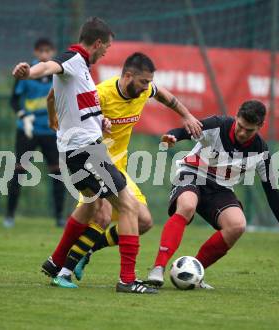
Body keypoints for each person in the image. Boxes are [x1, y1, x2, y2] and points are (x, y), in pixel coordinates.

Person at [12, 17, 156, 294]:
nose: (107, 52)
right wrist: (28, 72)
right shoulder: (74, 58)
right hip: (87, 151)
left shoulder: (84, 71)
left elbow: (75, 102)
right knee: (128, 206)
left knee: (93, 208)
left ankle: (56, 262)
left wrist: (99, 121)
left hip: (78, 150)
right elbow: (49, 65)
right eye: (107, 47)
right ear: (98, 43)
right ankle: (127, 280)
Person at [43, 52, 202, 282]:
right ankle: (65, 269)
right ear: (128, 76)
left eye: (149, 82)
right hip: (93, 161)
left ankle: (81, 253)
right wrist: (89, 121)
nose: (148, 87)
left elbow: (165, 96)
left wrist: (186, 115)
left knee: (144, 222)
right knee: (102, 214)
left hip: (119, 169)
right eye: (144, 81)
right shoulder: (101, 93)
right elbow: (54, 95)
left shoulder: (145, 90)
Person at [147, 100, 279, 289]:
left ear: (260, 127)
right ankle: (158, 267)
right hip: (192, 173)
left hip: (221, 189)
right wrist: (172, 136)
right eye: (240, 126)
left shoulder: (261, 151)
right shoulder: (217, 125)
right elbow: (182, 131)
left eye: (249, 130)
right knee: (187, 206)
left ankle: (194, 273)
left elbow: (272, 191)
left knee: (237, 225)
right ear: (236, 117)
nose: (242, 133)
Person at [4, 38, 65, 228]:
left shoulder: (58, 73)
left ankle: (59, 217)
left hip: (49, 131)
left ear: (53, 51)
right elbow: (14, 100)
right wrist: (23, 115)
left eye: (48, 51)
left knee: (57, 172)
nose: (44, 54)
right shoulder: (26, 73)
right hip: (27, 130)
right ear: (35, 52)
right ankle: (9, 216)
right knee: (19, 171)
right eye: (41, 51)